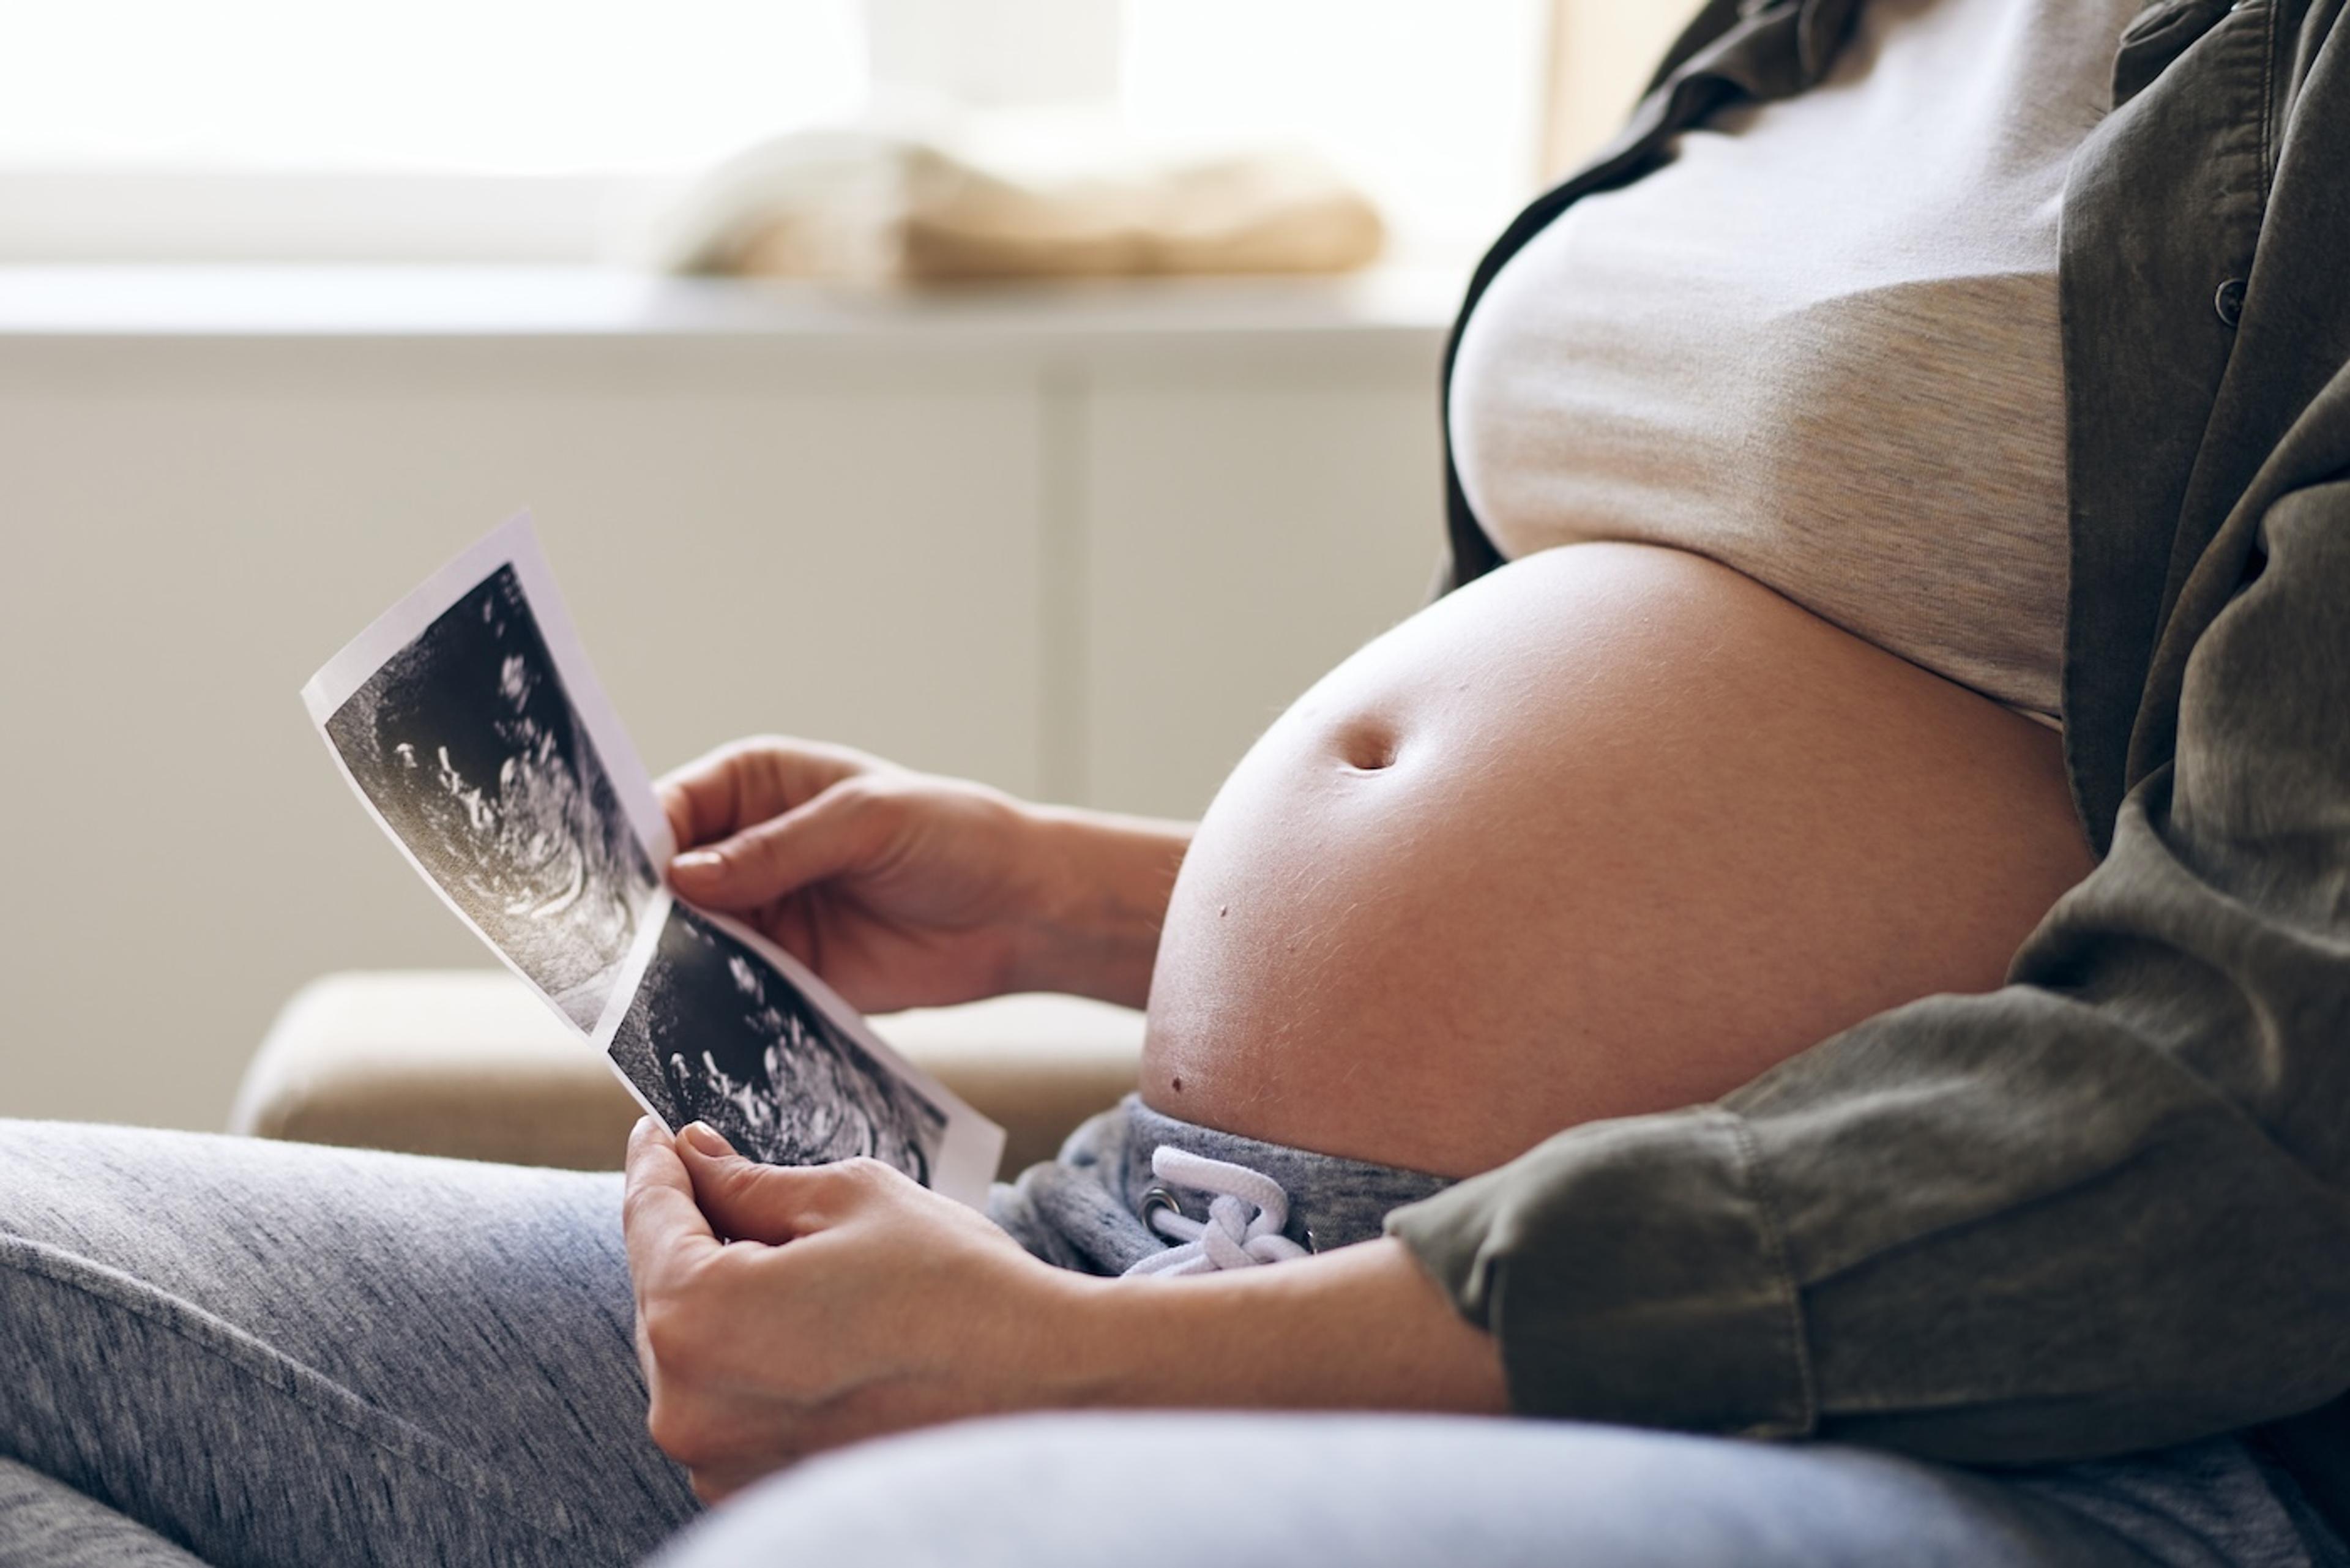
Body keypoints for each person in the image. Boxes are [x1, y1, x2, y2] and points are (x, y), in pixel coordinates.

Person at [5, 0, 2349, 1562]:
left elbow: (2257, 1097)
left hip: (1889, 1408)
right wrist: (1085, 896)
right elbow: (1794, 784)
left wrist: (1099, 1372)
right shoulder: (1801, 24)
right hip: (1151, 1232)